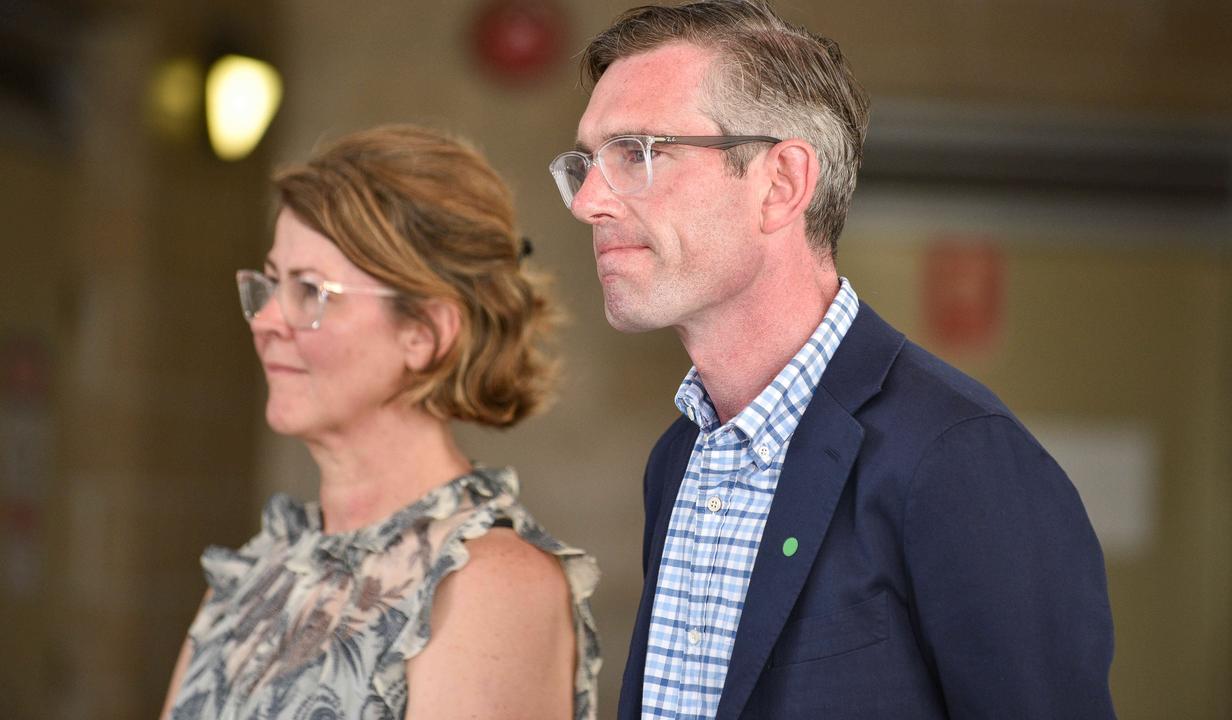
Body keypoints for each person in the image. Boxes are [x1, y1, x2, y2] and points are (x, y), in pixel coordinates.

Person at [549, 2, 1115, 718]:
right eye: (587, 163)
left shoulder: (958, 458)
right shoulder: (678, 458)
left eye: (637, 153)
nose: (588, 202)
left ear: (781, 183)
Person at [162, 125, 600, 720]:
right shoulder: (251, 575)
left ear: (425, 333)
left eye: (310, 291)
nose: (265, 319)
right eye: (268, 285)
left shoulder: (490, 586)